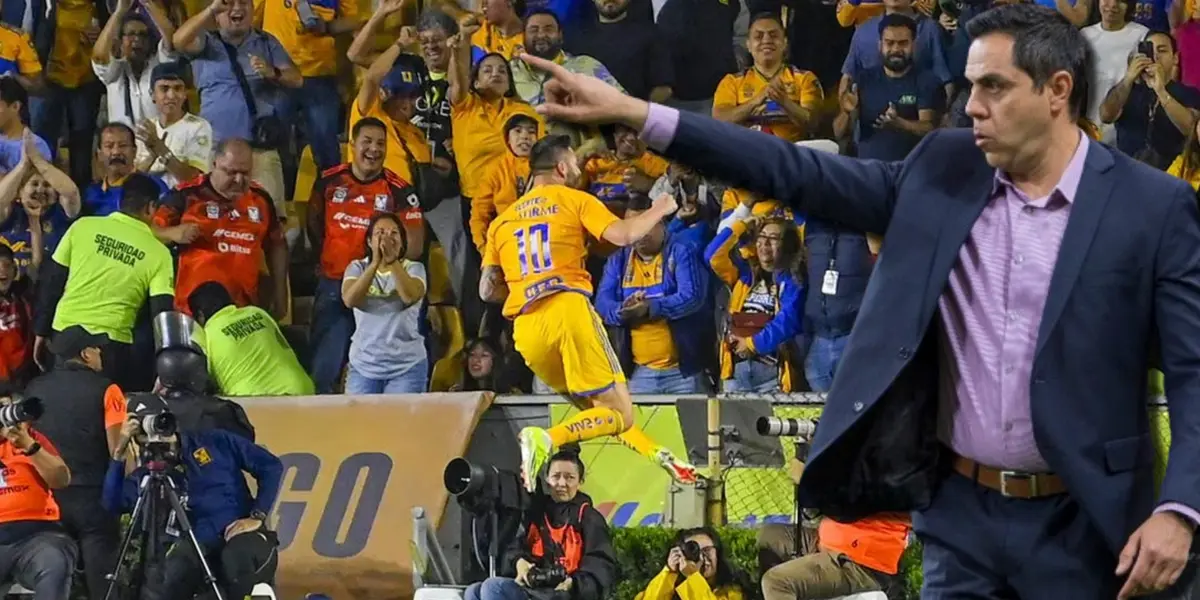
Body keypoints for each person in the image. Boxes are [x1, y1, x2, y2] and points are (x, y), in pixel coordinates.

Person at [519, 2, 1200, 596]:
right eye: (969, 86)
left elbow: (1196, 373)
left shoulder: (1153, 207)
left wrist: (1181, 508)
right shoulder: (941, 166)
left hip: (1086, 524)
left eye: (994, 87)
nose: (972, 108)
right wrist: (645, 116)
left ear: (1058, 90)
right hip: (960, 522)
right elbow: (794, 169)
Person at [480, 134, 697, 491]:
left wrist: (659, 454)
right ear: (562, 167)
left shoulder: (502, 223)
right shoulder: (573, 199)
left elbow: (487, 289)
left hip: (527, 331)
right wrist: (660, 208)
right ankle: (545, 438)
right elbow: (625, 235)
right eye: (576, 166)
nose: (579, 171)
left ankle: (659, 456)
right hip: (567, 310)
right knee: (617, 411)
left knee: (602, 413)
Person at [104, 396, 282, 600]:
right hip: (198, 548)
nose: (159, 439)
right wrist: (119, 452)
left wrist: (257, 515)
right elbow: (112, 502)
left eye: (160, 425)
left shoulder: (216, 442)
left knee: (236, 558)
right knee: (170, 578)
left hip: (241, 540)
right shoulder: (148, 476)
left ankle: (257, 594)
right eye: (145, 432)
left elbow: (271, 466)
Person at [35, 173, 175, 390]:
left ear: (120, 201)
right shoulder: (159, 253)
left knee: (61, 403)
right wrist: (164, 367)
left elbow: (52, 282)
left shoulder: (82, 227)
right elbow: (161, 314)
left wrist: (41, 332)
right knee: (106, 413)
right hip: (112, 346)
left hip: (65, 334)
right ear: (151, 207)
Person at [25, 326, 126, 600]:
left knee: (54, 581)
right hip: (95, 499)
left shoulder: (34, 388)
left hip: (48, 500)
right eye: (96, 348)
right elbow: (118, 448)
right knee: (102, 583)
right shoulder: (109, 389)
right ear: (85, 354)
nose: (100, 353)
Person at [463, 449, 616, 600]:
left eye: (569, 477)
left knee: (493, 587)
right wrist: (519, 562)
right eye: (556, 476)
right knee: (473, 591)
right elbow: (515, 548)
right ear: (547, 479)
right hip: (537, 591)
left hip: (568, 594)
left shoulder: (589, 518)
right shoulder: (537, 513)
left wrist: (573, 583)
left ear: (580, 481)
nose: (562, 483)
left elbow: (602, 566)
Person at [341, 213, 429, 394]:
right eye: (380, 232)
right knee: (359, 422)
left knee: (401, 423)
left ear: (402, 242)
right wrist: (374, 263)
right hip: (364, 366)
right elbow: (350, 300)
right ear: (369, 241)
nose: (387, 238)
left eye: (394, 233)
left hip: (407, 367)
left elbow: (409, 296)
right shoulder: (357, 267)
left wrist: (392, 261)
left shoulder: (414, 269)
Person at [0, 388, 74, 598]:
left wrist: (29, 446)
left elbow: (62, 480)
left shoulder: (30, 438)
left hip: (37, 535)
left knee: (55, 560)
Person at [188, 281, 313, 396]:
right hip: (300, 390)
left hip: (255, 402)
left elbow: (200, 382)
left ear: (200, 315)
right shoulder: (258, 313)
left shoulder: (205, 334)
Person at [636, 527, 749, 600]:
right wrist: (669, 572)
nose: (701, 557)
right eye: (693, 550)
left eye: (707, 550)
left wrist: (693, 577)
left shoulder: (733, 592)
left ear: (717, 554)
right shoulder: (668, 585)